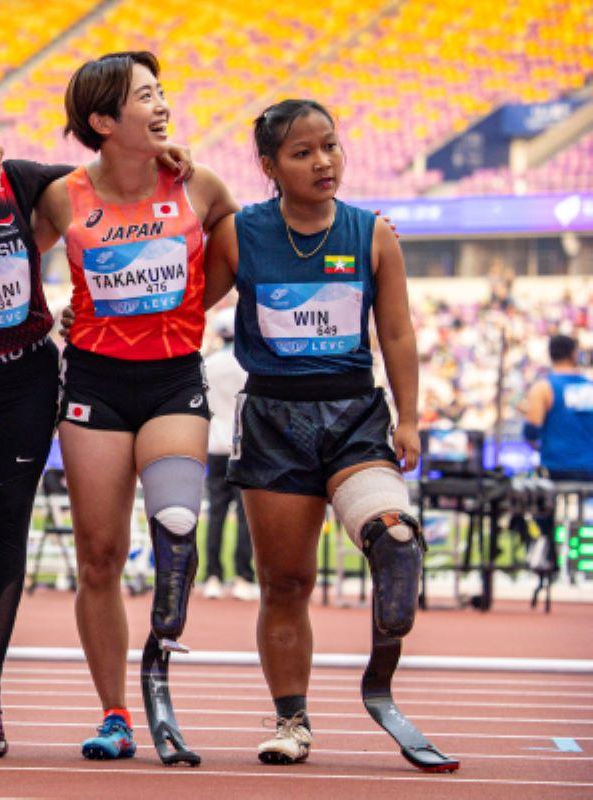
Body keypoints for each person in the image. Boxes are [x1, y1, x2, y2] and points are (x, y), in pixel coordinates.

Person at [0, 97, 195, 759]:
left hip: (25, 384)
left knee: (5, 540)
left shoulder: (24, 183)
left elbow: (107, 178)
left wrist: (162, 159)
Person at [202, 98, 421, 765]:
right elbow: (186, 309)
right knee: (286, 583)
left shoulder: (372, 233)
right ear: (269, 166)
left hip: (354, 414)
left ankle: (380, 674)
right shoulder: (240, 233)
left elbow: (397, 332)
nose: (324, 162)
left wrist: (409, 416)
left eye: (330, 145)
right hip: (272, 420)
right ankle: (291, 722)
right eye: (302, 153)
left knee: (397, 538)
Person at [33, 52, 239, 760]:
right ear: (101, 120)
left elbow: (243, 257)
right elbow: (13, 261)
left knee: (177, 520)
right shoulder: (62, 196)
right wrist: (53, 317)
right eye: (144, 97)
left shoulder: (199, 185)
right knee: (98, 558)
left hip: (172, 376)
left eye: (161, 94)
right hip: (93, 383)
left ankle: (165, 646)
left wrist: (176, 315)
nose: (161, 106)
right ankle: (117, 713)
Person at [522, 334, 593, 574]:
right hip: (590, 470)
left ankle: (547, 550)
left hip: (556, 469)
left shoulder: (543, 387)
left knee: (530, 495)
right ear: (574, 354)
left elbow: (531, 430)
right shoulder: (590, 387)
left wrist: (539, 445)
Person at [202, 309, 257, 600]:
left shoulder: (208, 364)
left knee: (216, 513)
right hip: (244, 446)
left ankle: (212, 575)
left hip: (215, 444)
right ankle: (242, 576)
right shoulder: (248, 366)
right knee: (246, 516)